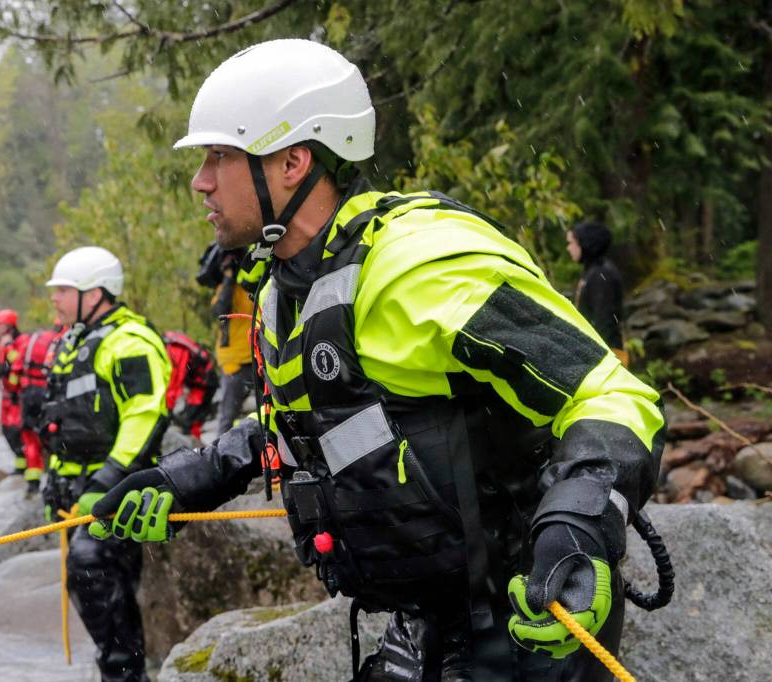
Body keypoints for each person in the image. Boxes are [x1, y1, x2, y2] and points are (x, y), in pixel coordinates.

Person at [90, 40, 666, 681]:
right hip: (421, 620)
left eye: (220, 156)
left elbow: (611, 396)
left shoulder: (420, 264)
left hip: (527, 614)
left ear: (292, 163)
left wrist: (580, 520)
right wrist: (194, 475)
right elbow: (321, 425)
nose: (200, 180)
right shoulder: (285, 289)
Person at [39, 246, 171, 682]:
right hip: (81, 488)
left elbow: (145, 414)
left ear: (95, 294)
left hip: (120, 488)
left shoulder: (129, 341)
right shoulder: (75, 340)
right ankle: (120, 668)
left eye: (63, 290)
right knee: (91, 576)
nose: (54, 299)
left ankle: (125, 673)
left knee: (91, 565)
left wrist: (108, 478)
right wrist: (53, 485)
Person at [207, 248, 258, 435]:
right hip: (233, 361)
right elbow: (219, 310)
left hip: (255, 356)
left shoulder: (250, 287)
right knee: (228, 414)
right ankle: (220, 457)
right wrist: (228, 278)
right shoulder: (224, 290)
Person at [9, 323, 60, 496]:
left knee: (30, 439)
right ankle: (55, 479)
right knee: (53, 438)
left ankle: (33, 483)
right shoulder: (60, 341)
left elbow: (16, 368)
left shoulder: (30, 341)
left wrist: (14, 393)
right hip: (46, 394)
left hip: (28, 394)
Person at [567, 221, 628, 366]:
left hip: (607, 356)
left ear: (585, 243)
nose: (568, 248)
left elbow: (605, 321)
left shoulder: (601, 273)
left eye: (571, 243)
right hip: (600, 353)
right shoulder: (593, 272)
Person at [162, 330, 219, 440]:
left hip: (204, 384)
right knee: (186, 419)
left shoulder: (174, 349)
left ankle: (193, 449)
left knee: (190, 421)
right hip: (198, 383)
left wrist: (167, 409)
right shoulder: (171, 342)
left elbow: (175, 381)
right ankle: (192, 445)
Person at [0, 308, 26, 476]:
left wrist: (12, 388)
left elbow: (17, 365)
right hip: (8, 395)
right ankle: (20, 463)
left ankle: (22, 464)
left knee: (13, 430)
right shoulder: (5, 342)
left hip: (13, 396)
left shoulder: (9, 344)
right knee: (8, 428)